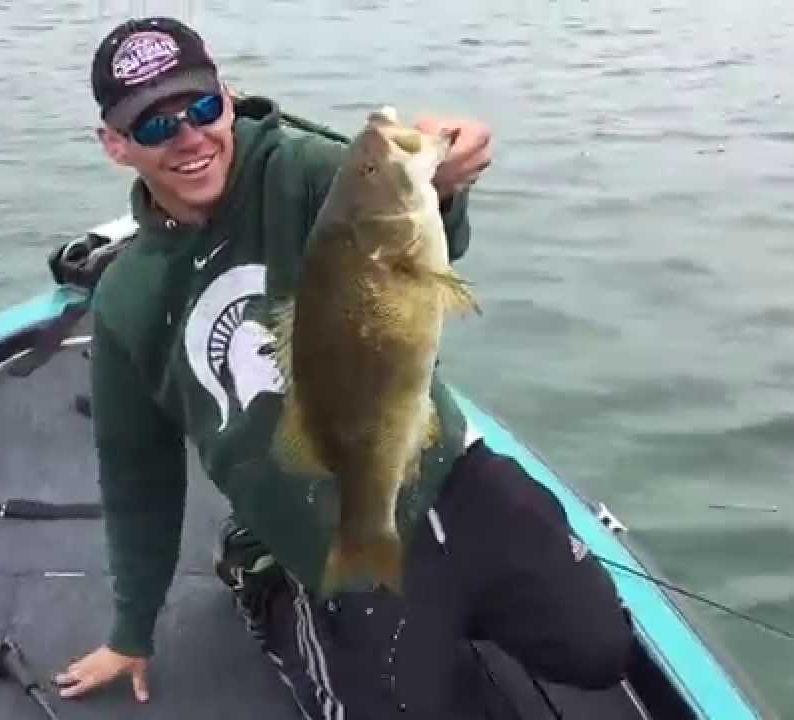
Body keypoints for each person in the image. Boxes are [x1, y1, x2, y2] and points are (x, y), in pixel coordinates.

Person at [54, 15, 634, 718]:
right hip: (307, 516)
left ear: (228, 98)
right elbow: (135, 472)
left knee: (600, 650)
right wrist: (131, 630)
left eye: (201, 107)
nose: (188, 135)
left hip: (441, 466)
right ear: (115, 145)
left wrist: (442, 184)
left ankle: (442, 603)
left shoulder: (301, 171)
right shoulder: (127, 300)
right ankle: (263, 574)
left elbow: (408, 227)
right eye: (153, 125)